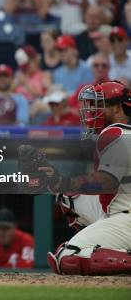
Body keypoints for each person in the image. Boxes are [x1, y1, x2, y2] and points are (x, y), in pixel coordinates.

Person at [44, 80, 131, 275]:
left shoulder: (115, 133)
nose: (92, 111)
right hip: (120, 207)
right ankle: (106, 244)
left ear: (118, 107)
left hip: (126, 216)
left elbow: (106, 181)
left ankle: (103, 249)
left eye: (99, 105)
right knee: (68, 195)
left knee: (66, 257)